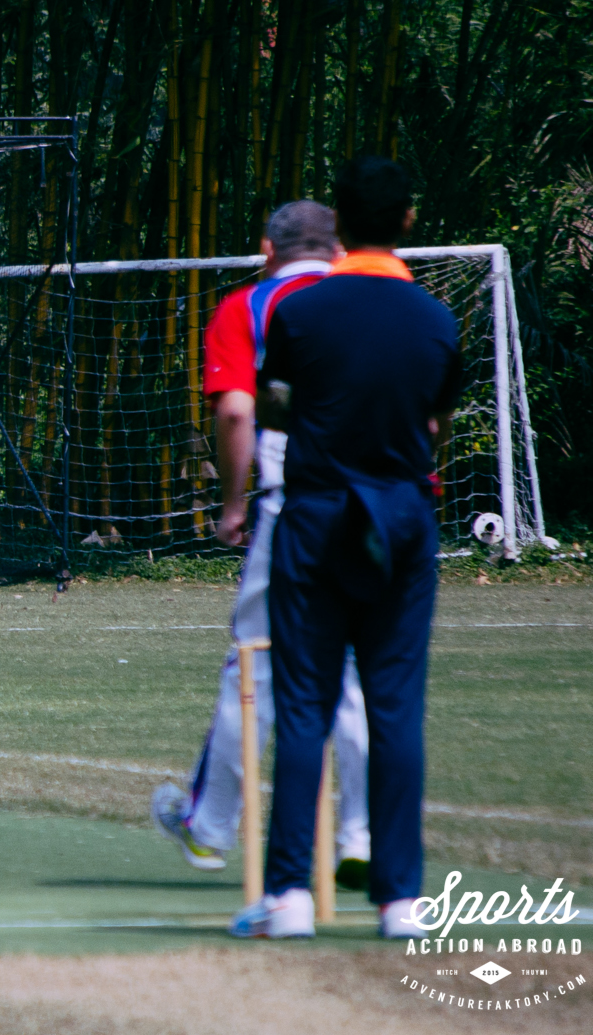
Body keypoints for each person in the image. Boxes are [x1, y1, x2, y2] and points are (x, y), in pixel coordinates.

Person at [230, 157, 461, 939]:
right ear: (407, 219)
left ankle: (290, 895)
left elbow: (275, 407)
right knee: (396, 708)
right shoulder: (437, 319)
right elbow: (437, 426)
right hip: (400, 516)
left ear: (340, 222)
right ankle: (402, 900)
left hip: (318, 515)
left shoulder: (302, 310)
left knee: (304, 706)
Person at [151, 201, 372, 890]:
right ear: (337, 250)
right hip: (377, 506)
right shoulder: (377, 302)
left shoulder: (249, 306)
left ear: (266, 249)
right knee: (358, 672)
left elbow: (239, 409)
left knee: (254, 666)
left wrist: (234, 502)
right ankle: (361, 832)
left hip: (293, 502)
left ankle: (211, 825)